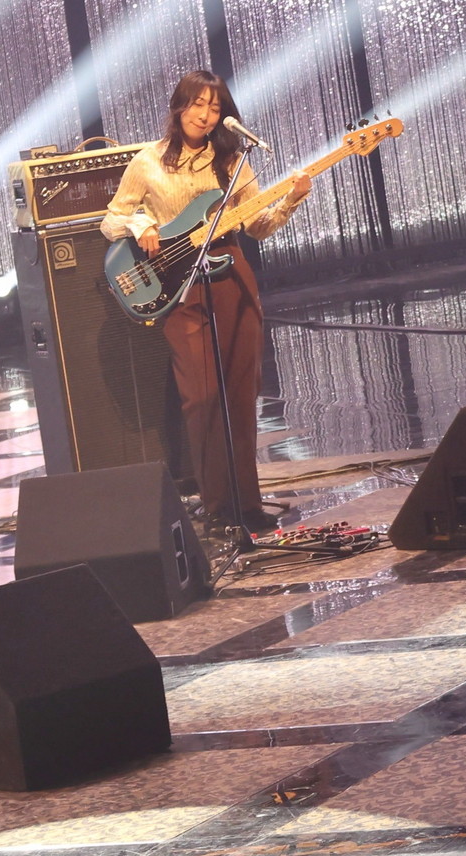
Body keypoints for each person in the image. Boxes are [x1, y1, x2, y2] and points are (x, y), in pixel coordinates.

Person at [101, 70, 311, 532]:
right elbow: (111, 219)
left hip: (231, 275)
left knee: (240, 394)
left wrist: (292, 199)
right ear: (179, 106)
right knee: (202, 397)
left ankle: (247, 505)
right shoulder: (148, 161)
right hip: (180, 283)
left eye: (215, 108)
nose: (206, 115)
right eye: (198, 104)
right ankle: (218, 508)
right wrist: (141, 225)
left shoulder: (231, 158)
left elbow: (257, 225)